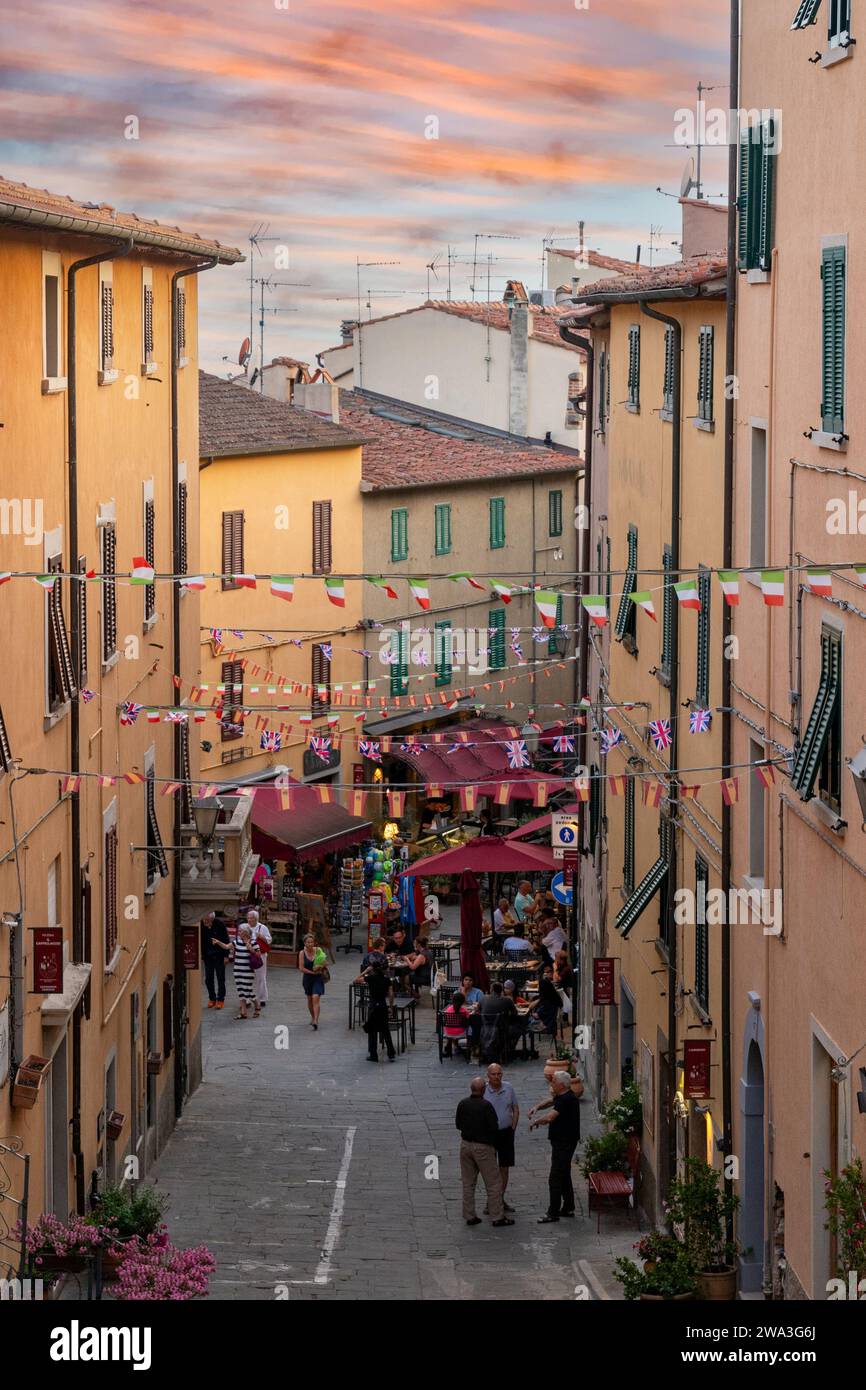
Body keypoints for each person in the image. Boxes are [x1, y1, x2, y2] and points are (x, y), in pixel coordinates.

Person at [454, 1077, 513, 1227]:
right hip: (483, 1147)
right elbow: (494, 1127)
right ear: (483, 1090)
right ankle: (497, 1216)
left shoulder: (462, 1103)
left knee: (468, 1182)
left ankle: (469, 1215)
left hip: (465, 1145)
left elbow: (458, 1124)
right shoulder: (486, 1106)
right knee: (493, 1182)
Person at [529, 1071, 581, 1223]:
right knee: (564, 1174)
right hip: (563, 1141)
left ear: (560, 1085)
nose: (551, 1084)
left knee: (555, 1177)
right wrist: (537, 1107)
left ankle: (553, 1213)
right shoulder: (565, 1096)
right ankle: (568, 1207)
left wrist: (536, 1121)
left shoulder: (566, 1099)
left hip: (564, 1142)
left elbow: (551, 1117)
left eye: (553, 1082)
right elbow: (551, 1102)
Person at [484, 1064, 519, 1213]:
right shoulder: (483, 1091)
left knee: (504, 1168)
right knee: (490, 1170)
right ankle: (491, 1201)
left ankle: (500, 1199)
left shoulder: (509, 1088)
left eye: (499, 1074)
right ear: (488, 1076)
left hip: (506, 1133)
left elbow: (515, 1109)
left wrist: (513, 1127)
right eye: (494, 1074)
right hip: (489, 1135)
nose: (497, 1077)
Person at [357, 957, 395, 1062]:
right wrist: (390, 1007)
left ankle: (373, 1054)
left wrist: (366, 971)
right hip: (383, 1005)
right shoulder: (386, 979)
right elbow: (391, 994)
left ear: (372, 968)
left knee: (372, 1030)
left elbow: (356, 980)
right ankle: (391, 1053)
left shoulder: (370, 977)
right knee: (385, 1030)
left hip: (373, 1005)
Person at [200, 911, 231, 1009]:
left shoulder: (220, 924)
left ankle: (220, 999)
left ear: (212, 919)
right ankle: (212, 998)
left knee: (220, 978)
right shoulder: (202, 925)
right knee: (208, 978)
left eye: (207, 920)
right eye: (204, 919)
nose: (205, 921)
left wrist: (226, 956)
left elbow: (226, 940)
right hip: (208, 956)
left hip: (219, 955)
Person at [479, 981, 516, 1062]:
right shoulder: (507, 1000)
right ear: (502, 991)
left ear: (491, 990)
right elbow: (514, 1013)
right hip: (502, 1030)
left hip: (485, 1028)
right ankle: (509, 1050)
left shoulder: (483, 998)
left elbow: (478, 1010)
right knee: (518, 1029)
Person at [298, 933, 327, 1029]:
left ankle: (316, 1020)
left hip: (318, 977)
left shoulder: (318, 950)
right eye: (308, 942)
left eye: (311, 942)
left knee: (315, 998)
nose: (310, 944)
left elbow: (326, 963)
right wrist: (311, 972)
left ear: (314, 942)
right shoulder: (302, 953)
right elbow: (301, 968)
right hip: (308, 979)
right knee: (310, 1000)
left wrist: (321, 966)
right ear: (305, 943)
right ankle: (313, 1016)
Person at [231, 924, 260, 1019]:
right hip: (237, 970)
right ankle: (244, 1012)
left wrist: (250, 948)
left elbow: (258, 955)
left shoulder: (253, 942)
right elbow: (227, 947)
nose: (238, 933)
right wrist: (218, 942)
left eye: (240, 931)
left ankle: (257, 1005)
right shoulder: (237, 942)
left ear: (246, 932)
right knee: (240, 991)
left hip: (248, 970)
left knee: (248, 990)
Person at [531, 964, 562, 1049]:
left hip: (545, 1025)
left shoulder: (546, 1003)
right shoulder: (552, 999)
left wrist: (534, 1012)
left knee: (527, 1024)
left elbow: (537, 1016)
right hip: (549, 1022)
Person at [247, 909, 272, 1010]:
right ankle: (247, 999)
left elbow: (269, 940)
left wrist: (261, 936)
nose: (249, 920)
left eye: (251, 918)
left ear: (256, 919)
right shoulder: (245, 927)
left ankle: (262, 999)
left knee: (261, 977)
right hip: (248, 954)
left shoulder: (262, 927)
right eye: (248, 918)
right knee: (248, 977)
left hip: (260, 954)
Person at [442, 991, 471, 1058]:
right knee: (470, 1028)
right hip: (460, 1033)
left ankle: (449, 1046)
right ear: (463, 1002)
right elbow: (467, 1021)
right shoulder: (464, 1011)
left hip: (448, 1032)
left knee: (451, 1028)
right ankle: (466, 1048)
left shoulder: (448, 1009)